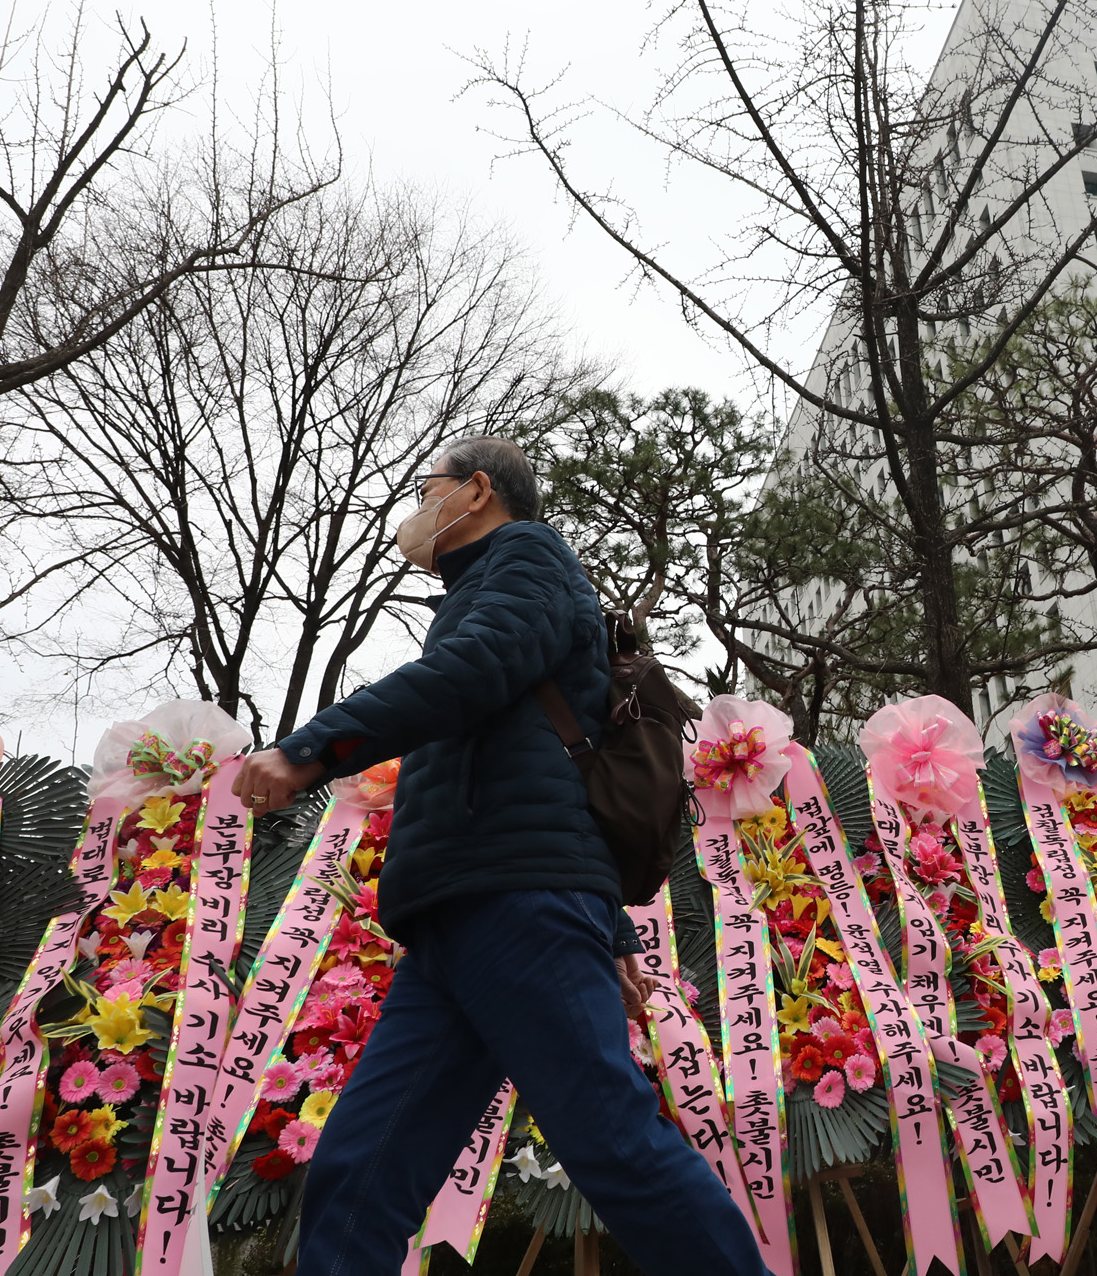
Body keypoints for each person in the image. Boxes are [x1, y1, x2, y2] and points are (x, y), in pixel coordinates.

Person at [231, 437, 765, 1276]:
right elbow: (532, 763)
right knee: (362, 1167)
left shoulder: (528, 556)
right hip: (463, 913)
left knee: (611, 1141)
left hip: (514, 900)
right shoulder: (487, 588)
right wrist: (615, 933)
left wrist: (314, 747)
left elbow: (473, 672)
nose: (415, 512)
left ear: (477, 491)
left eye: (426, 489)